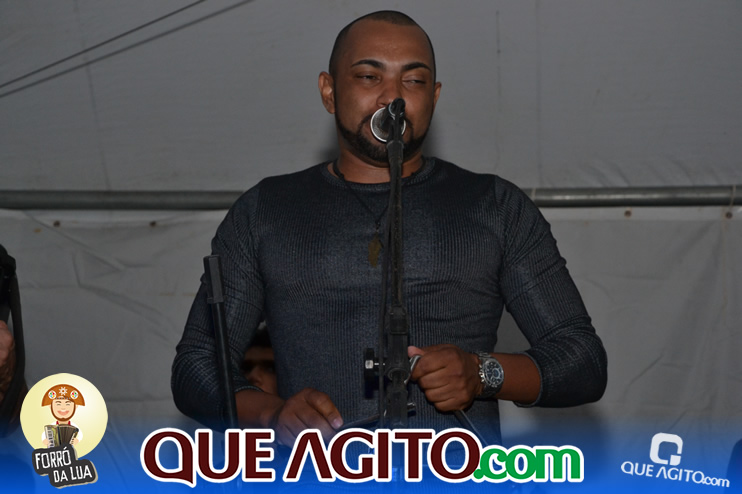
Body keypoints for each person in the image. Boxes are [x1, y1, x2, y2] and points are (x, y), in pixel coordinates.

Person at [172, 10, 607, 448]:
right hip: (318, 471)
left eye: (413, 81)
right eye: (368, 77)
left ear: (434, 96)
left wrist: (482, 373)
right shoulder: (266, 210)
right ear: (329, 91)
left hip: (455, 470)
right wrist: (271, 414)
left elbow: (582, 360)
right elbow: (196, 365)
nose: (393, 97)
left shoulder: (493, 206)